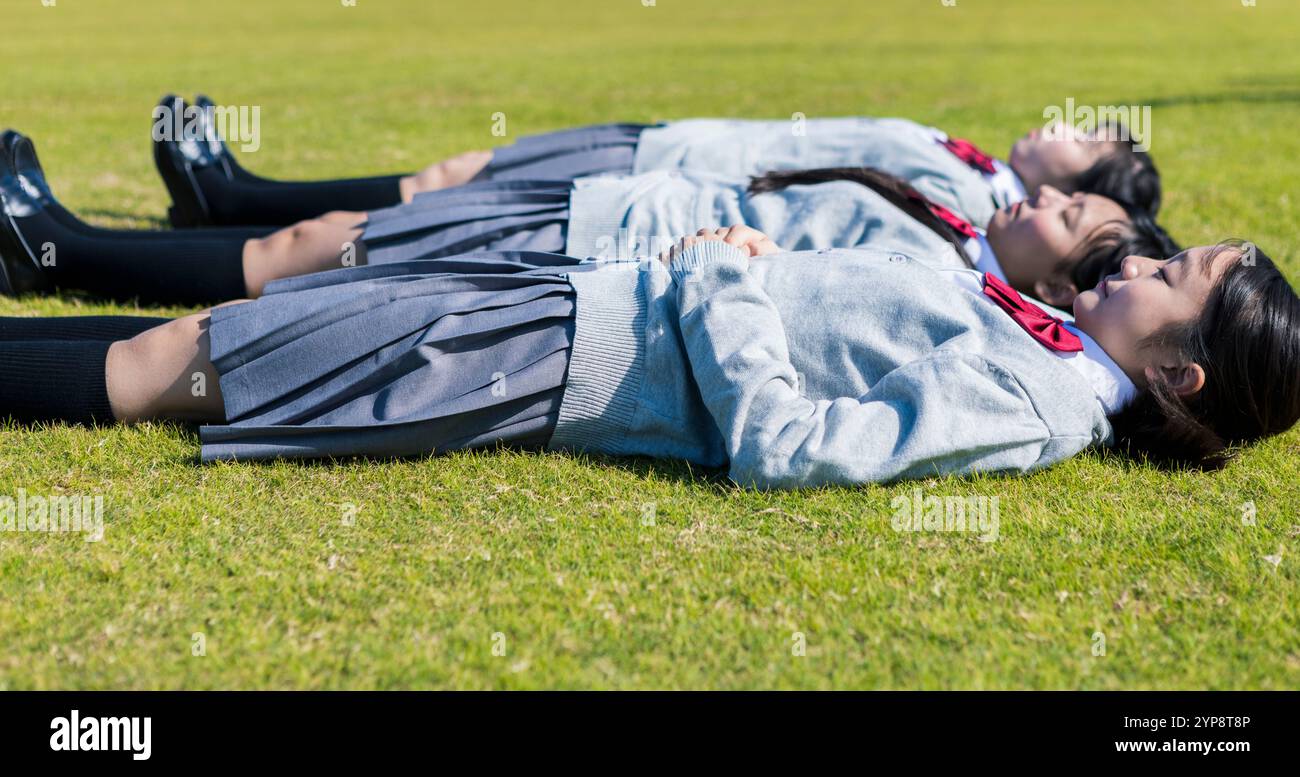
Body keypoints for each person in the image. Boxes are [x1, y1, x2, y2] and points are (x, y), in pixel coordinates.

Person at [0, 230, 1295, 488]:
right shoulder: (1055, 342)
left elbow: (789, 449)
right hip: (585, 299)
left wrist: (726, 278)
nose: (1135, 262)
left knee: (187, 362)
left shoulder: (1037, 398)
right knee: (213, 338)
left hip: (559, 352)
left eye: (1168, 279)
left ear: (1182, 374)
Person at [2, 130, 1174, 309]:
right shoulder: (960, 212)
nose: (1049, 189)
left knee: (295, 268)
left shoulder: (950, 243)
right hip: (621, 191)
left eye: (1074, 200)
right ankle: (64, 246)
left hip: (596, 241)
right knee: (303, 253)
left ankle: (53, 249)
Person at [152, 95, 1160, 229]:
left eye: (1086, 138)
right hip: (680, 142)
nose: (1059, 126)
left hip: (675, 170)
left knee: (449, 186)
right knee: (461, 169)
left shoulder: (968, 198)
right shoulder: (975, 171)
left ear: (1079, 187)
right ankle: (236, 194)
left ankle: (231, 201)